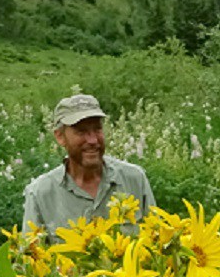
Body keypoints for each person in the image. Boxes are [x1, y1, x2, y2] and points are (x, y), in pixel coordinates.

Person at [22, 94, 157, 236]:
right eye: (81, 131)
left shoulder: (134, 179)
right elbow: (32, 255)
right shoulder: (40, 194)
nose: (93, 140)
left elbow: (156, 241)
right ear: (60, 137)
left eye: (97, 129)